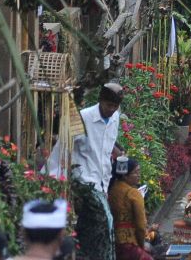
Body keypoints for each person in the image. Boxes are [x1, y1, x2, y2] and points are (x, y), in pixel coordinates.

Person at [50, 81, 122, 260]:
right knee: (103, 222)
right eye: (109, 105)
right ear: (100, 101)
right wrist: (55, 178)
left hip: (102, 181)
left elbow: (107, 150)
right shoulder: (83, 118)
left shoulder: (115, 117)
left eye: (115, 106)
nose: (111, 109)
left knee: (100, 227)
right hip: (83, 180)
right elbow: (63, 148)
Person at [108, 156, 154, 260]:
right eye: (135, 172)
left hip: (114, 242)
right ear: (125, 176)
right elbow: (141, 226)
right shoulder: (133, 193)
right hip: (129, 242)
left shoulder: (112, 190)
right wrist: (142, 246)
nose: (139, 175)